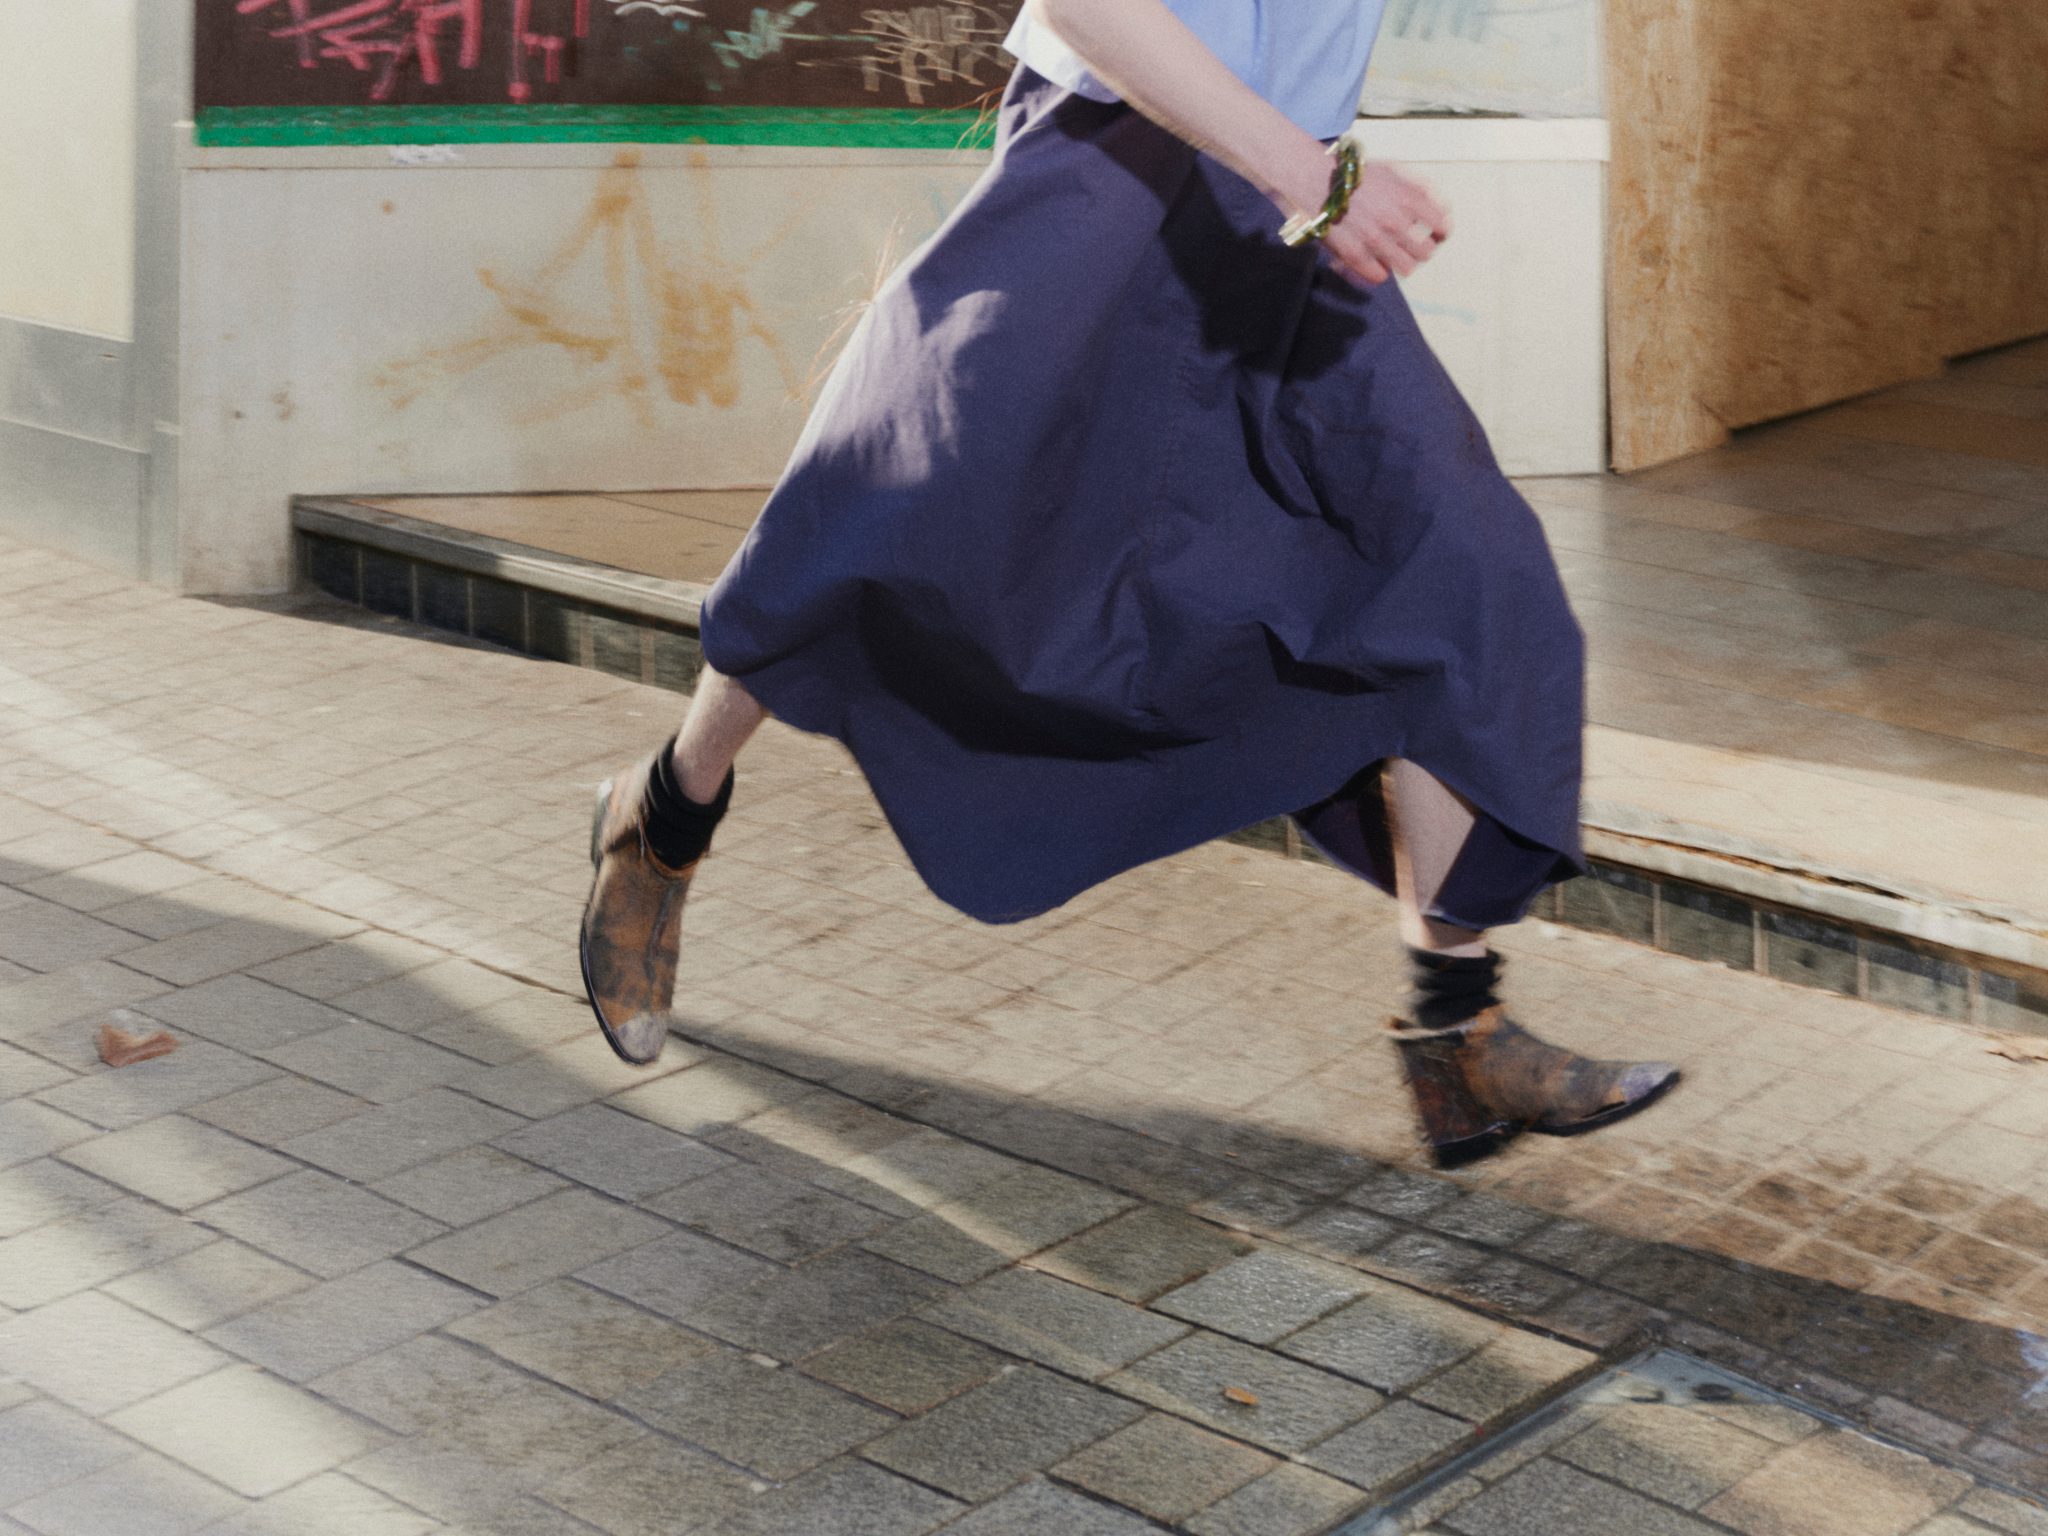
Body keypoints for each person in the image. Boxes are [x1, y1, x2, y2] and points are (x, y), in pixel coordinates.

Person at [580, 0, 1679, 1168]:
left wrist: (1305, 176)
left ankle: (1457, 1034)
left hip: (1283, 215)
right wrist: (1307, 175)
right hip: (1108, 171)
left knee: (1458, 565)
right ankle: (663, 816)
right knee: (889, 515)